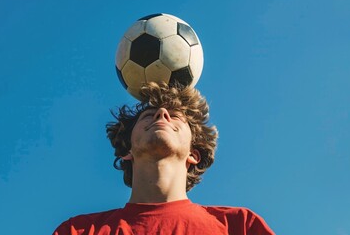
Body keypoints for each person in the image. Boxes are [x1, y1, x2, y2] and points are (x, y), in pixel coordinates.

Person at [53, 82, 275, 235]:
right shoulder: (79, 230)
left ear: (193, 154)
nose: (161, 114)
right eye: (148, 115)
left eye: (175, 116)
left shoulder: (239, 226)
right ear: (127, 151)